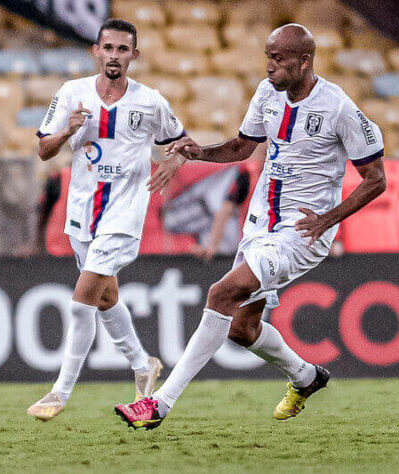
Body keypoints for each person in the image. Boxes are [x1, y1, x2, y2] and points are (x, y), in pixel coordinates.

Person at [115, 23, 386, 429]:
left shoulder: (340, 109)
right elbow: (243, 146)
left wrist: (329, 220)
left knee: (221, 293)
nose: (270, 66)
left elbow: (376, 178)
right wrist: (199, 151)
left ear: (304, 61)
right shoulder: (267, 93)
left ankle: (160, 403)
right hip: (259, 226)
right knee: (242, 327)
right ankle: (306, 377)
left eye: (278, 59)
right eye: (267, 58)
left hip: (300, 233)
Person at [27, 19, 186, 421]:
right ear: (95, 51)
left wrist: (173, 161)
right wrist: (67, 131)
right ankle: (142, 364)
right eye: (108, 48)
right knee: (105, 297)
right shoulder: (71, 93)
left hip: (125, 213)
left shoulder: (150, 101)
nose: (115, 55)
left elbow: (182, 140)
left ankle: (59, 393)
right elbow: (45, 150)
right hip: (81, 212)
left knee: (81, 302)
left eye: (123, 49)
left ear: (135, 55)